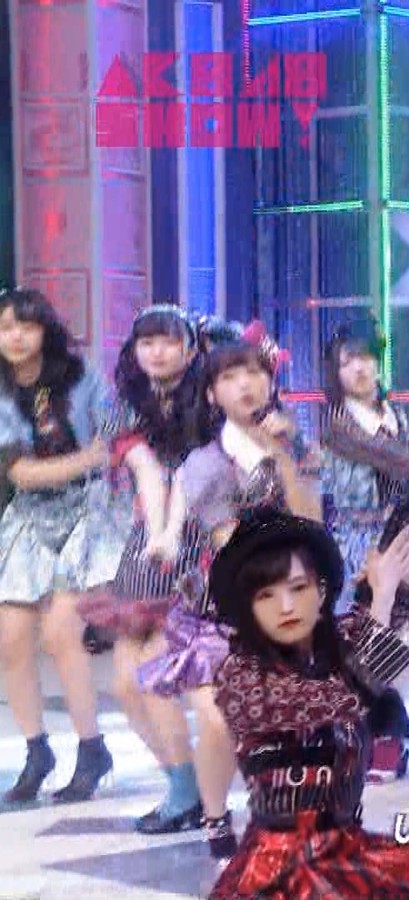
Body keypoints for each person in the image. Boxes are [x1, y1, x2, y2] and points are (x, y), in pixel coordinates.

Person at [206, 508, 409, 900]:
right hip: (281, 866)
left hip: (344, 846)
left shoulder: (334, 644)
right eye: (266, 596)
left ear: (321, 591)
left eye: (298, 588)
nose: (286, 606)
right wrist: (383, 596)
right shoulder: (241, 674)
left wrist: (400, 579)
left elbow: (394, 617)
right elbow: (347, 697)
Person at [138, 319, 319, 857]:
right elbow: (231, 542)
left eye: (255, 373)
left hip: (286, 608)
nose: (246, 385)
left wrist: (286, 457)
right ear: (213, 394)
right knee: (219, 722)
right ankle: (216, 816)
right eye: (231, 376)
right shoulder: (204, 463)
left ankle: (278, 818)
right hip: (218, 613)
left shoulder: (294, 449)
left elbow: (311, 521)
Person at [79, 304, 214, 828]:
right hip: (149, 541)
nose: (157, 352)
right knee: (124, 685)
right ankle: (182, 784)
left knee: (155, 676)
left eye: (168, 341)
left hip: (201, 540)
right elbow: (147, 471)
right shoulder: (124, 402)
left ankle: (191, 794)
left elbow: (194, 475)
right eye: (146, 342)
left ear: (189, 347)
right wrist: (158, 535)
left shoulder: (209, 395)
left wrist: (171, 536)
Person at [0, 287, 123, 803]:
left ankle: (92, 747)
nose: (15, 337)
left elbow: (112, 440)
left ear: (45, 330)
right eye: (6, 328)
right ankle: (37, 751)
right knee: (10, 637)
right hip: (30, 515)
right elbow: (21, 473)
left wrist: (95, 460)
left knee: (60, 632)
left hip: (86, 512)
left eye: (25, 326)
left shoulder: (81, 376)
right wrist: (83, 459)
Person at [318, 317, 409, 782]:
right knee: (352, 645)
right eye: (349, 361)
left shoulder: (400, 418)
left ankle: (384, 735)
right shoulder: (336, 423)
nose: (360, 368)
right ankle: (377, 732)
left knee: (381, 641)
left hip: (400, 542)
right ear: (335, 370)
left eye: (367, 357)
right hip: (352, 543)